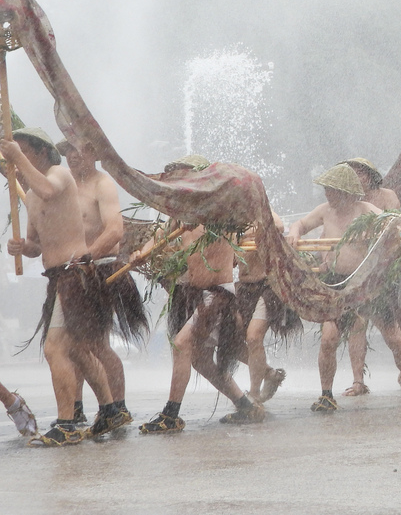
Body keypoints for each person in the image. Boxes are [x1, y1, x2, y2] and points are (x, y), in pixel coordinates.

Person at [4, 127, 117, 446]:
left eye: (23, 150)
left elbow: (49, 190)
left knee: (56, 348)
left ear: (40, 152)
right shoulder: (33, 194)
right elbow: (36, 245)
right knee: (78, 349)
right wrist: (20, 247)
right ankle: (109, 410)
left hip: (75, 273)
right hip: (57, 277)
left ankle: (67, 423)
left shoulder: (59, 176)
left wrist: (14, 157)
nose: (17, 156)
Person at [289, 163, 401, 411]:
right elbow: (301, 224)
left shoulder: (369, 211)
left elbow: (400, 226)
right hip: (337, 283)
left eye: (330, 190)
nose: (326, 194)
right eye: (325, 189)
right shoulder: (325, 211)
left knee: (394, 338)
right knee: (328, 339)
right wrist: (294, 233)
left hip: (369, 284)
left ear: (344, 192)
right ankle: (326, 394)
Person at [140, 155, 266, 432]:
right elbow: (160, 234)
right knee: (200, 360)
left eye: (181, 177)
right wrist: (144, 251)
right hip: (195, 294)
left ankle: (170, 415)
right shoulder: (180, 214)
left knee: (182, 345)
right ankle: (245, 406)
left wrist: (203, 217)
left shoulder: (219, 209)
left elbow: (238, 224)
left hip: (218, 295)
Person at [57, 138, 149, 429]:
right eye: (67, 151)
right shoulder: (65, 184)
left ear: (93, 152)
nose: (72, 156)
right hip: (71, 273)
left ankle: (117, 409)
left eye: (77, 148)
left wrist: (87, 258)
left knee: (93, 344)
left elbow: (114, 231)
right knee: (74, 343)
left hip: (101, 271)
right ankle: (78, 408)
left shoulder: (102, 184)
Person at [337, 157, 401, 395]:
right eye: (351, 173)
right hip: (358, 270)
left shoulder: (387, 196)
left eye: (360, 172)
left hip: (387, 267)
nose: (356, 177)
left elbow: (396, 226)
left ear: (370, 175)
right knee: (356, 324)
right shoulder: (346, 200)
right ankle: (358, 381)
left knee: (396, 323)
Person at [235, 209, 298, 403]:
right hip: (244, 288)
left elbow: (278, 226)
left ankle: (254, 394)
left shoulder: (262, 212)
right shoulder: (227, 220)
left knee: (254, 337)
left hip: (269, 286)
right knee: (231, 343)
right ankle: (269, 373)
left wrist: (250, 229)